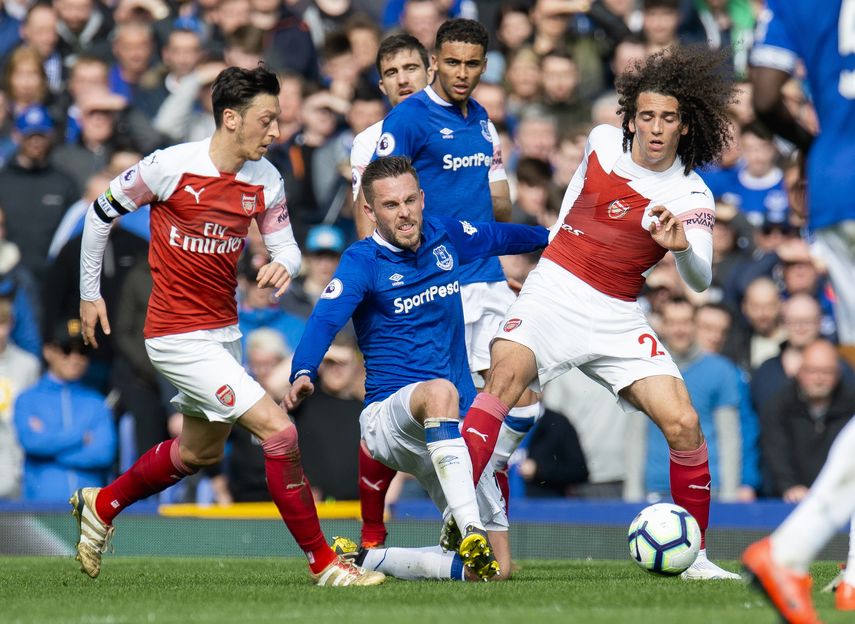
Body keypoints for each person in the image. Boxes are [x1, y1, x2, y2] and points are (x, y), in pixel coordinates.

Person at [72, 65, 384, 587]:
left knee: (199, 452)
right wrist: (89, 295)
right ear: (231, 118)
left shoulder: (265, 178)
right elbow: (99, 213)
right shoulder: (170, 166)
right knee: (280, 431)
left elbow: (285, 244)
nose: (276, 132)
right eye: (266, 120)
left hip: (223, 335)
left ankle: (101, 504)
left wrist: (285, 261)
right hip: (175, 336)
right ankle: (324, 564)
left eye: (278, 120)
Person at [456, 45, 740, 581]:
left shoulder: (690, 193)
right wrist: (550, 261)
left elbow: (700, 280)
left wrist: (679, 246)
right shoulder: (603, 141)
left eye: (669, 118)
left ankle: (696, 558)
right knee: (502, 380)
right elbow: (572, 203)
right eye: (647, 115)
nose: (656, 128)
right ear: (631, 118)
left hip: (617, 314)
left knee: (683, 422)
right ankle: (460, 518)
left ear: (686, 126)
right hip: (555, 291)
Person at [285, 156, 549, 581]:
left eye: (410, 200)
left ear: (422, 199)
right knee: (440, 390)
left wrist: (556, 238)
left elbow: (498, 236)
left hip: (449, 430)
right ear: (370, 212)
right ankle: (470, 529)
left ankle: (373, 559)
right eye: (391, 205)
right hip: (389, 419)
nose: (404, 212)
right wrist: (302, 371)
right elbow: (324, 320)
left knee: (496, 572)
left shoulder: (444, 236)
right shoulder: (362, 261)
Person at [369, 18, 543, 545]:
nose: (461, 73)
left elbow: (493, 198)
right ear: (435, 62)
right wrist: (382, 276)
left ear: (484, 66)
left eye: (472, 64)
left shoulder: (483, 119)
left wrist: (508, 248)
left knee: (526, 400)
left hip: (486, 274)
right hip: (443, 280)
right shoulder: (408, 119)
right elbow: (372, 195)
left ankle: (470, 484)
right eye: (452, 63)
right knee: (485, 396)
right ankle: (467, 508)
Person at [14, 319, 115, 501]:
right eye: (66, 349)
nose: (75, 358)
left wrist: (51, 452)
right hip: (40, 511)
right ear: (48, 351)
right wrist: (79, 437)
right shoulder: (27, 399)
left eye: (83, 351)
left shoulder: (97, 402)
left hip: (90, 513)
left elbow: (103, 453)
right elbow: (31, 442)